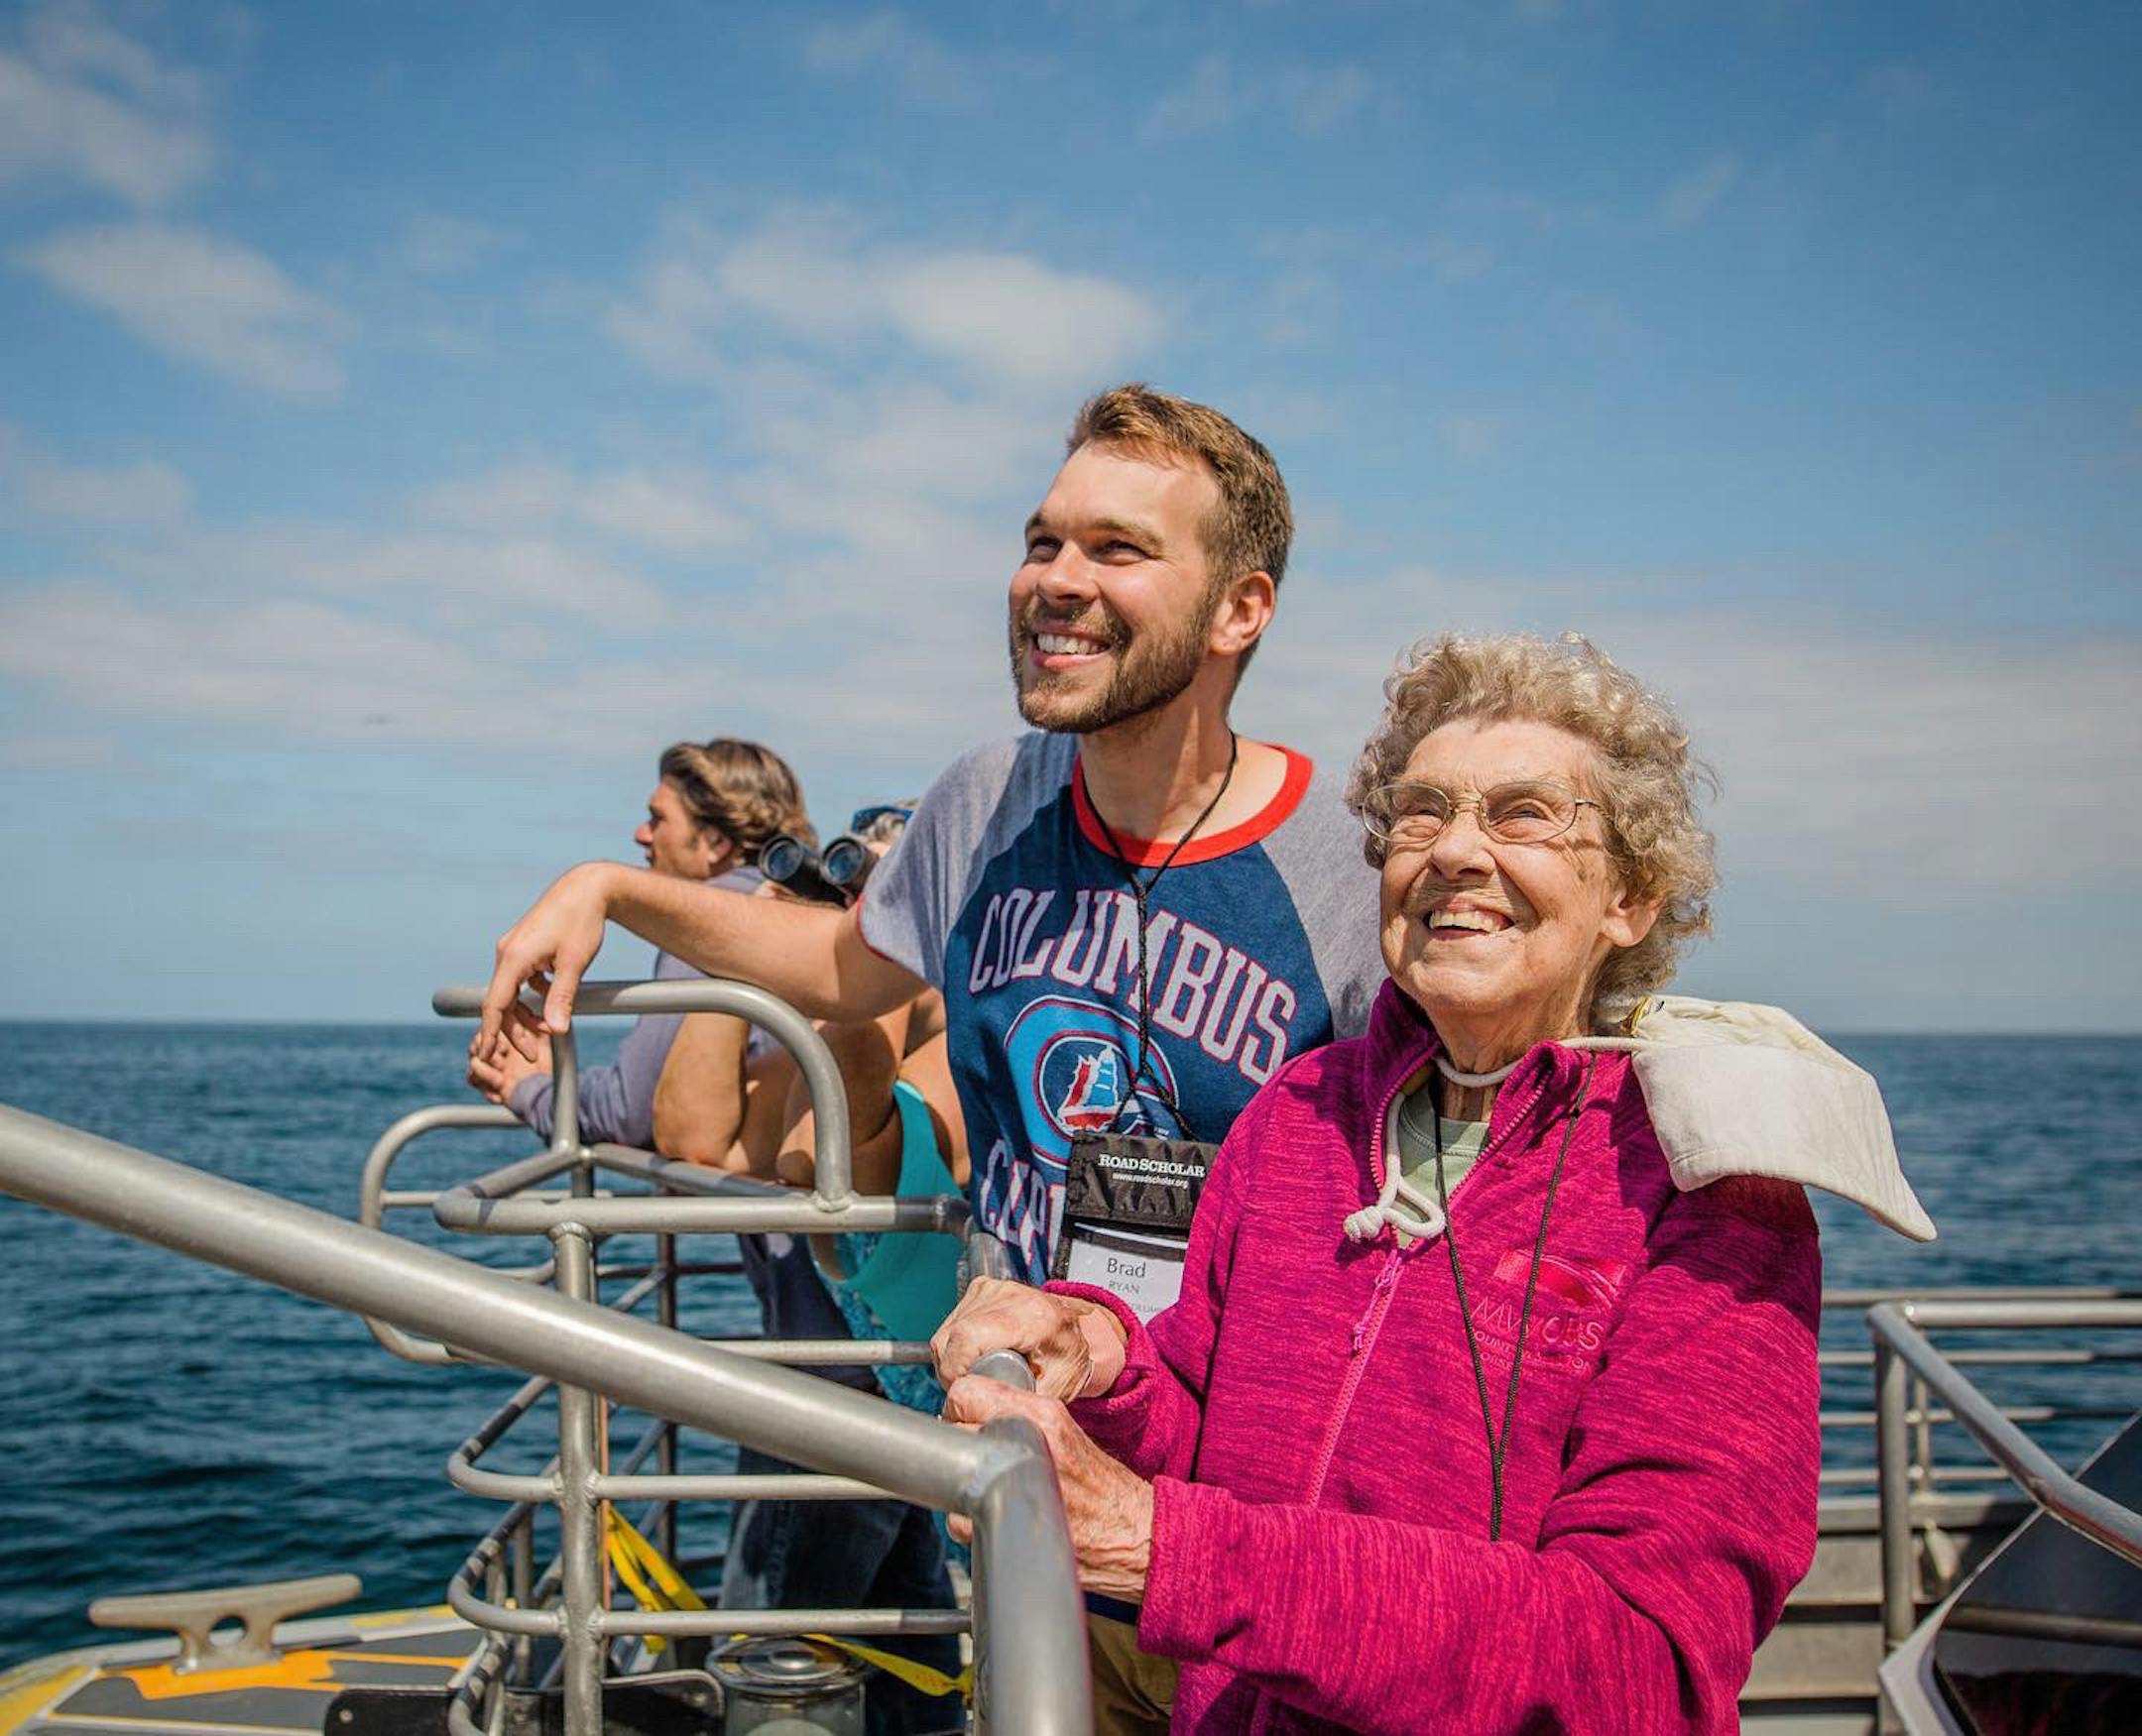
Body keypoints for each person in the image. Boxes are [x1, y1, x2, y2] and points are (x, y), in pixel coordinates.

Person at [933, 633, 1935, 1735]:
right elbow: (1202, 1421)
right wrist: (1106, 1358)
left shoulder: (1710, 1193)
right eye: (1419, 813)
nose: (1454, 850)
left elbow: (1638, 1659)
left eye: (1521, 815)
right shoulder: (1301, 1114)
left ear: (1632, 896)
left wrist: (1158, 1543)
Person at [476, 384, 1387, 1284]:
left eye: (1118, 549)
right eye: (1043, 542)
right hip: (1007, 1405)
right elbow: (842, 963)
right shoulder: (984, 798)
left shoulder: (1352, 866)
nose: (1056, 580)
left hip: (1229, 1418)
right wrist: (612, 887)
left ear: (1240, 609)